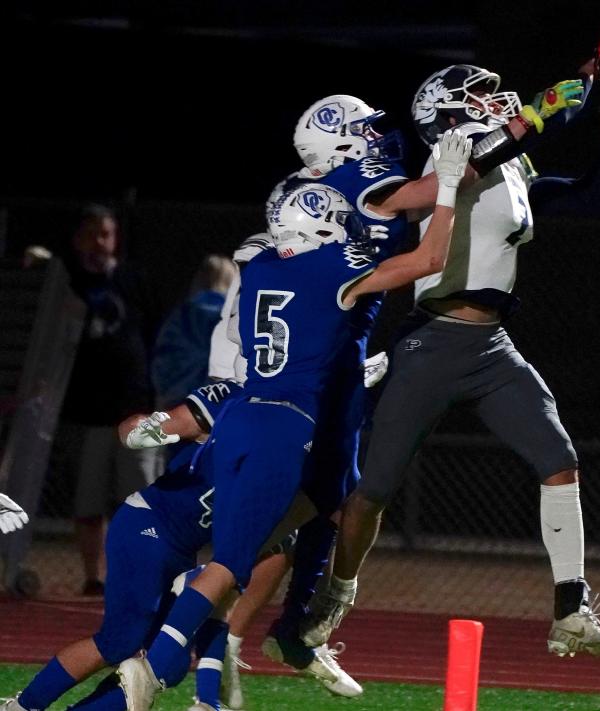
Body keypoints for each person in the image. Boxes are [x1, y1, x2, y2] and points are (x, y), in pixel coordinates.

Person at [302, 24, 600, 659]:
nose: (494, 99)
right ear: (446, 111)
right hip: (432, 342)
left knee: (560, 460)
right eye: (478, 94)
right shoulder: (448, 162)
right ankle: (338, 589)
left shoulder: (511, 169)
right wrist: (561, 97)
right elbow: (484, 154)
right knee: (373, 490)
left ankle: (569, 609)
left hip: (493, 346)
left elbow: (589, 200)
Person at [114, 129, 473, 711]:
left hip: (244, 406)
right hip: (284, 422)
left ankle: (219, 668)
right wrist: (450, 184)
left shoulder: (259, 266)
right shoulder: (330, 267)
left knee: (284, 528)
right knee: (237, 553)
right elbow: (427, 258)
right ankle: (159, 663)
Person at [0, 381, 240, 711]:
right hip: (149, 526)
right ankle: (23, 707)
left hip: (183, 548)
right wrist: (142, 431)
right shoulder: (231, 402)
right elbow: (139, 428)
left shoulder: (298, 439)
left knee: (168, 665)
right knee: (119, 641)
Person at [57, 204, 160, 596]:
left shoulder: (133, 279)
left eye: (107, 234)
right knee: (88, 501)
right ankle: (93, 576)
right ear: (78, 239)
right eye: (92, 234)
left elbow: (153, 332)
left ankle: (140, 573)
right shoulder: (66, 281)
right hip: (87, 412)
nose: (100, 243)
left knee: (140, 499)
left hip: (135, 409)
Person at [150, 255, 237, 409]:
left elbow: (161, 366)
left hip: (179, 410)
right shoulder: (238, 320)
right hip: (225, 411)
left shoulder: (178, 318)